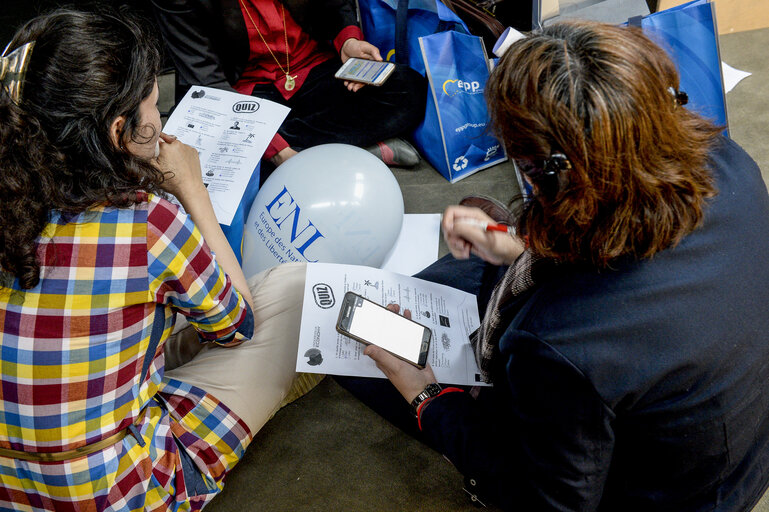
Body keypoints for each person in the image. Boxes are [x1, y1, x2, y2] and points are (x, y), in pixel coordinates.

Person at [337, 20, 769, 510]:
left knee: (365, 361)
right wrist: (512, 245)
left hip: (663, 493)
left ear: (538, 174)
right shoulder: (728, 162)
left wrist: (424, 394)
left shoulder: (562, 345)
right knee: (448, 286)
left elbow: (549, 503)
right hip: (726, 449)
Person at [0, 8, 314, 511]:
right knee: (294, 288)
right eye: (154, 107)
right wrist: (193, 190)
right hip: (122, 490)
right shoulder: (148, 221)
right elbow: (238, 325)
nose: (161, 120)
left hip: (11, 491)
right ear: (119, 130)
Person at [150, 0, 427, 170]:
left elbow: (336, 6)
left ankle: (306, 161)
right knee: (195, 149)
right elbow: (206, 80)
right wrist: (275, 150)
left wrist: (349, 41)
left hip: (313, 70)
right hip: (241, 93)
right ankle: (356, 153)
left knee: (407, 89)